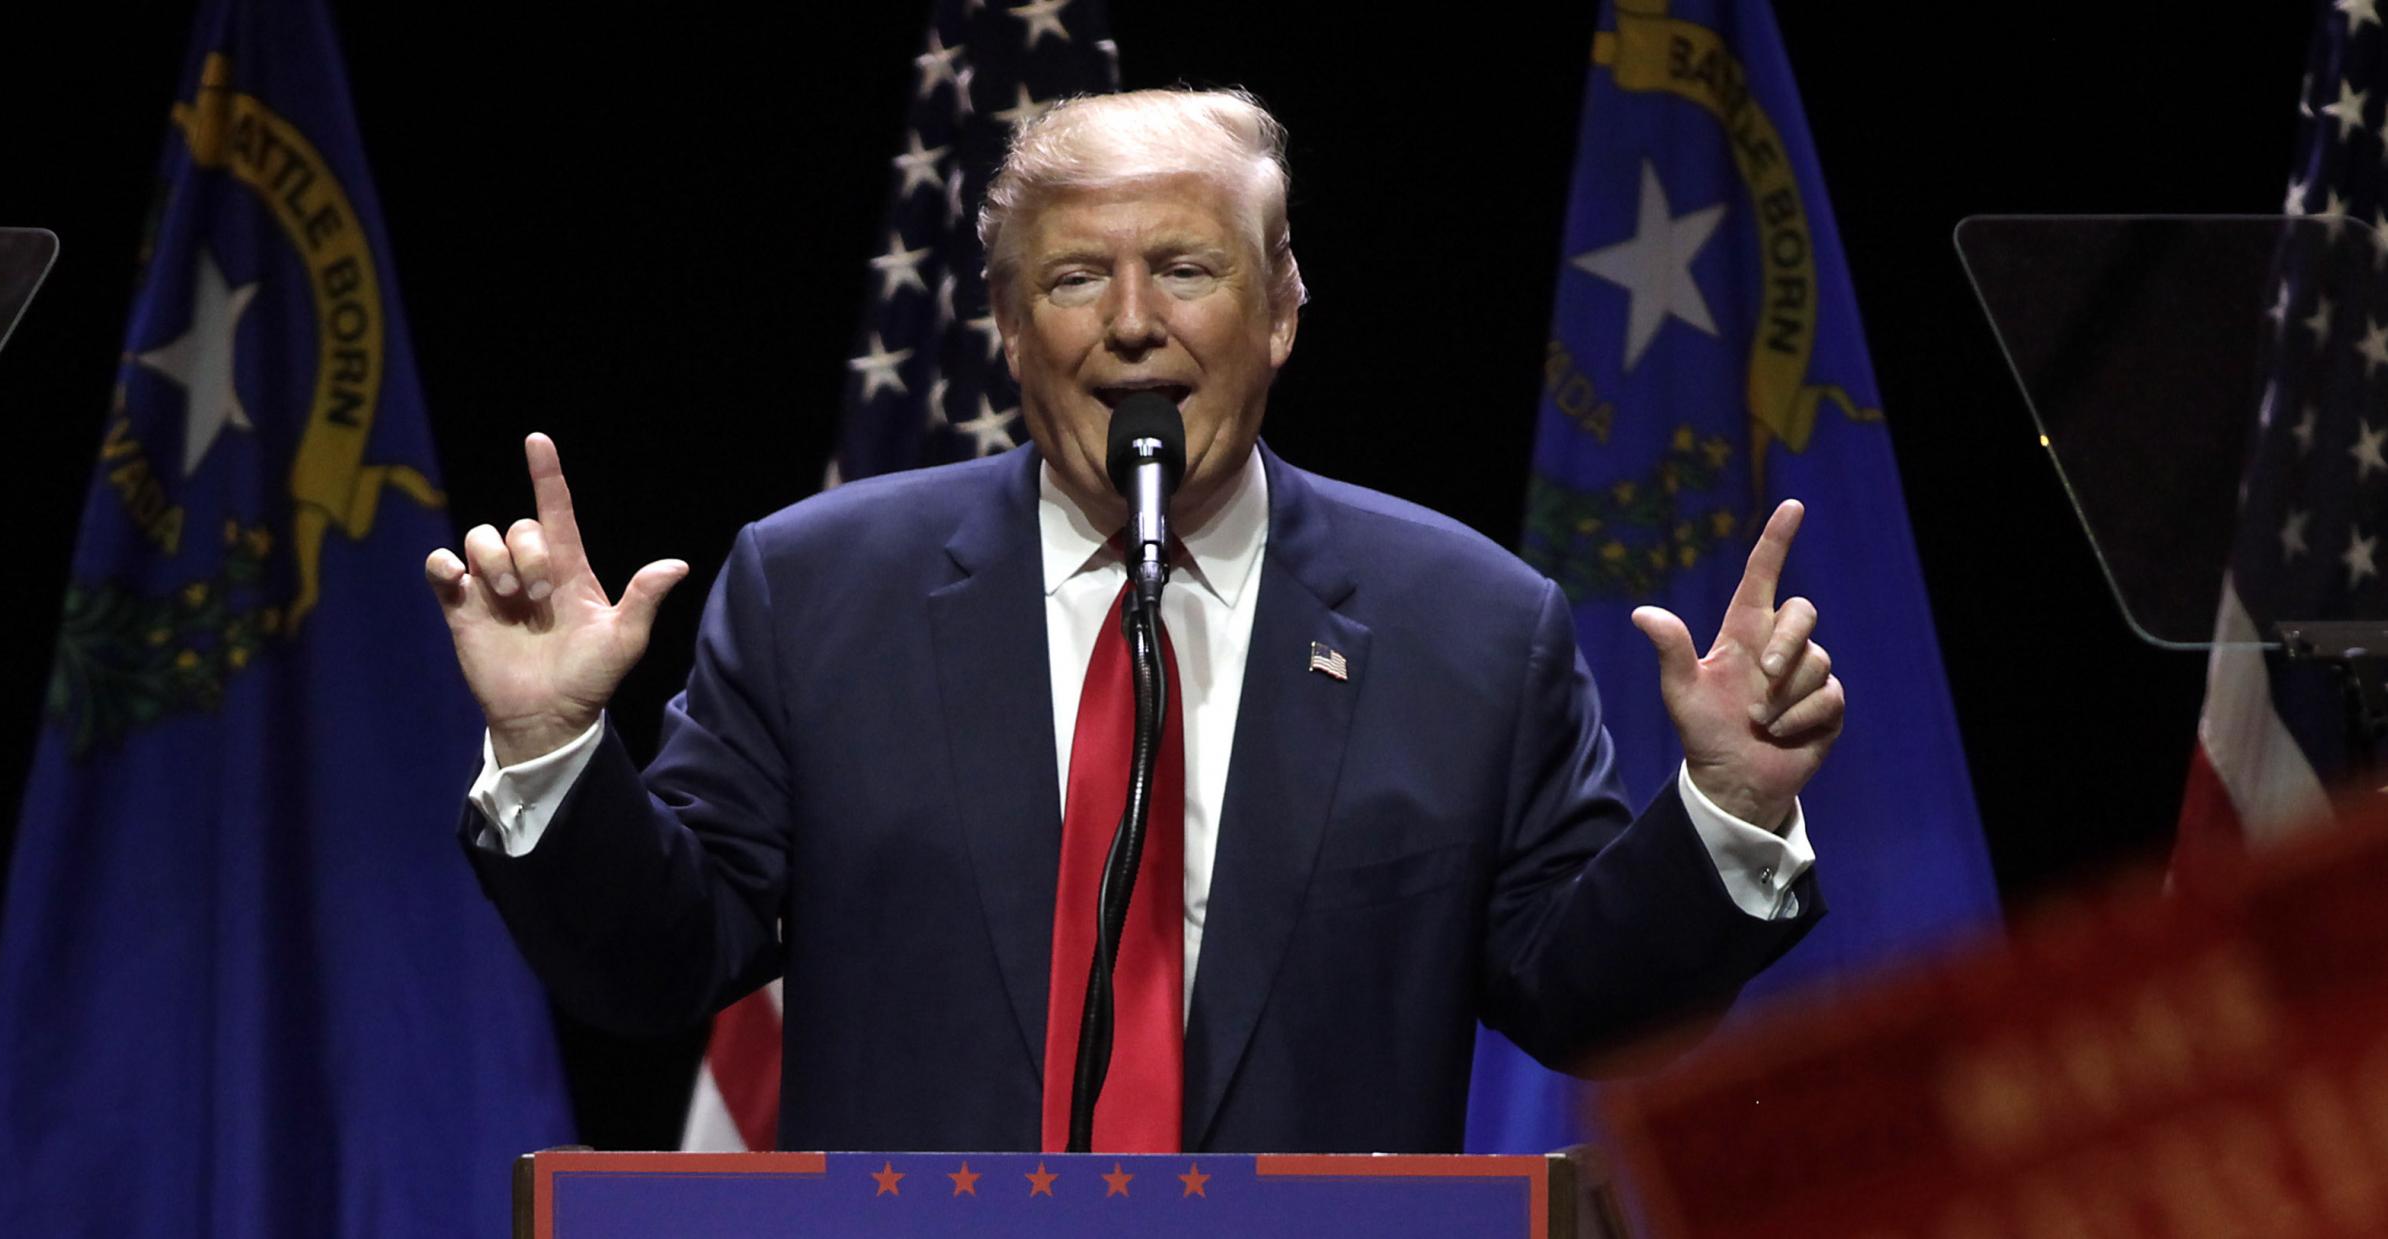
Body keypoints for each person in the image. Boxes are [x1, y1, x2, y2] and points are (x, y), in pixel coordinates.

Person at [425, 89, 1841, 1154]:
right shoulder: (819, 592)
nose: (1131, 322)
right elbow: (660, 964)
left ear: (1280, 312)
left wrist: (1727, 807)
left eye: (1187, 267)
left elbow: (1586, 1007)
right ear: (1007, 324)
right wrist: (551, 747)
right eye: (1071, 278)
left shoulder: (1468, 625)